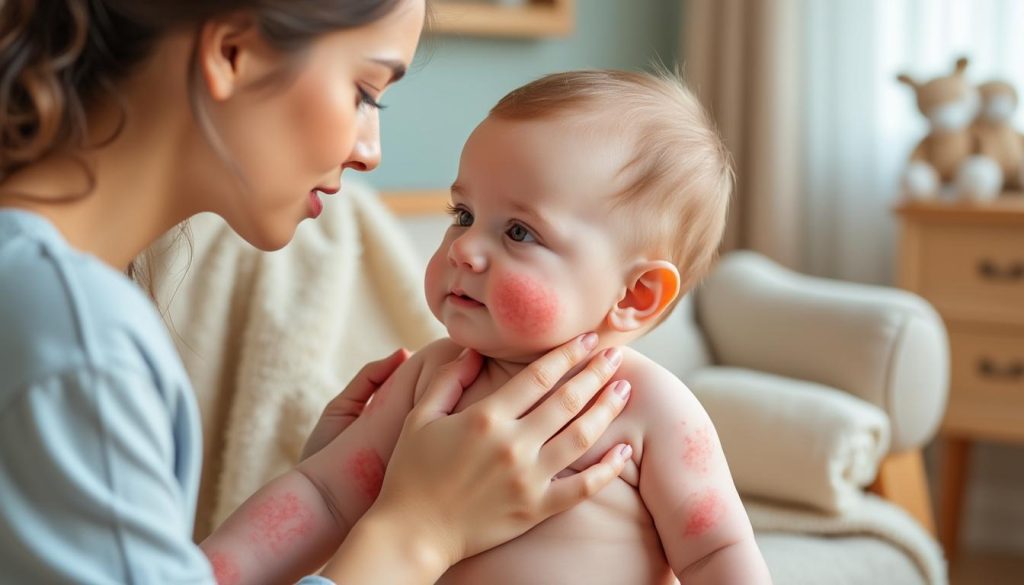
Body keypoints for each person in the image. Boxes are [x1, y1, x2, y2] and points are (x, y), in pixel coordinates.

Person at [0, 2, 636, 584]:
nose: (371, 153)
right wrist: (418, 531)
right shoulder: (71, 332)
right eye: (365, 92)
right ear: (231, 53)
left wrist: (329, 482)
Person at [342, 70, 774, 584]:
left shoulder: (649, 406)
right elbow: (325, 496)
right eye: (463, 214)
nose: (462, 247)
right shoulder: (428, 379)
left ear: (635, 295)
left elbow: (715, 551)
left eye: (519, 231)